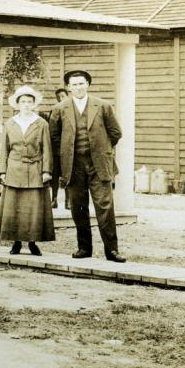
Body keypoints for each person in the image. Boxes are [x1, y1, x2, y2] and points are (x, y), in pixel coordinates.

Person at [50, 68, 126, 262]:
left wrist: (101, 150)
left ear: (88, 84)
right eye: (74, 84)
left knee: (105, 206)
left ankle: (112, 250)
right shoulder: (60, 109)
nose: (78, 87)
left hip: (99, 164)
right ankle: (84, 248)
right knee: (78, 207)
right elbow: (55, 138)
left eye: (81, 83)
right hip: (74, 166)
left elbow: (115, 133)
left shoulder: (103, 106)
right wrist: (69, 154)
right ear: (68, 87)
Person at [0, 84, 55, 255]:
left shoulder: (41, 123)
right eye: (23, 102)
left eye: (30, 101)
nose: (26, 105)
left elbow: (47, 149)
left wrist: (46, 171)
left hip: (35, 170)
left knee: (33, 209)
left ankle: (32, 242)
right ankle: (16, 242)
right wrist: (2, 171)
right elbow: (4, 150)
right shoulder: (10, 123)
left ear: (34, 104)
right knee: (15, 207)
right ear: (17, 104)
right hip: (14, 170)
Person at [44, 87, 69, 206]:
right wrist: (59, 146)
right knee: (54, 176)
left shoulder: (71, 110)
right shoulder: (54, 110)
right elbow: (52, 131)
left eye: (63, 96)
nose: (60, 99)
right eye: (58, 97)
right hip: (56, 150)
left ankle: (68, 200)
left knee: (68, 175)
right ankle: (54, 199)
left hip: (69, 150)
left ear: (67, 96)